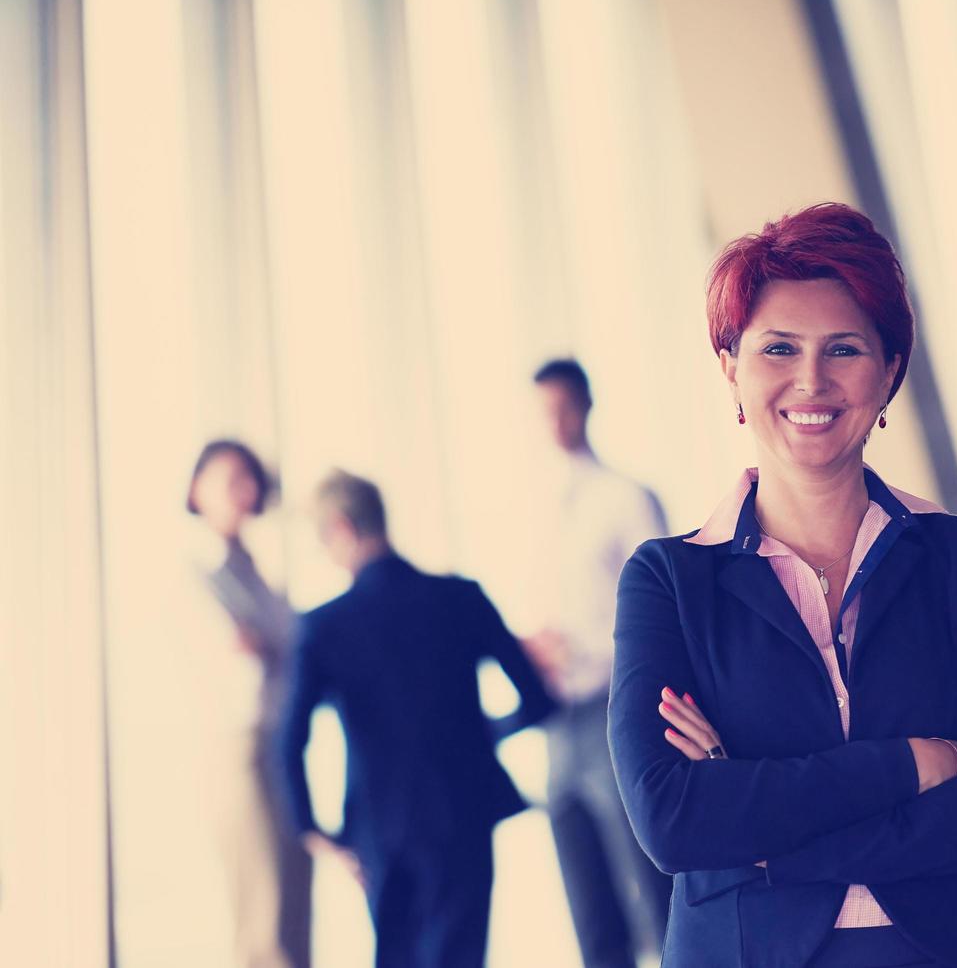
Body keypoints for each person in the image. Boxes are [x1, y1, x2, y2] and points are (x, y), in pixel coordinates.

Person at [609, 202, 957, 967]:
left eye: (843, 350)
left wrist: (757, 825)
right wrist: (909, 766)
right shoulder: (668, 580)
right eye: (778, 349)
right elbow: (674, 821)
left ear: (888, 372)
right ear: (731, 369)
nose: (810, 381)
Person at [277, 470, 555, 968]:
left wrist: (315, 832)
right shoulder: (461, 597)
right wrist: (485, 733)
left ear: (340, 528)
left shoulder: (322, 627)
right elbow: (536, 699)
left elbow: (289, 740)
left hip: (378, 827)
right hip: (462, 810)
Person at [525, 358, 673, 968]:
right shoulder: (530, 509)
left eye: (564, 407)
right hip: (557, 718)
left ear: (586, 405)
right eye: (543, 412)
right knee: (585, 896)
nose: (555, 423)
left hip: (616, 710)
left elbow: (660, 614)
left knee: (649, 887)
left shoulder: (625, 497)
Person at [185, 439, 312, 967]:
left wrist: (268, 645)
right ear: (196, 488)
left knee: (294, 898)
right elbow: (247, 660)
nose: (241, 489)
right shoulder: (194, 568)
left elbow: (285, 651)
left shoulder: (255, 571)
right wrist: (269, 647)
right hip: (238, 748)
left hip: (279, 744)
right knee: (263, 910)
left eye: (248, 478)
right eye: (227, 476)